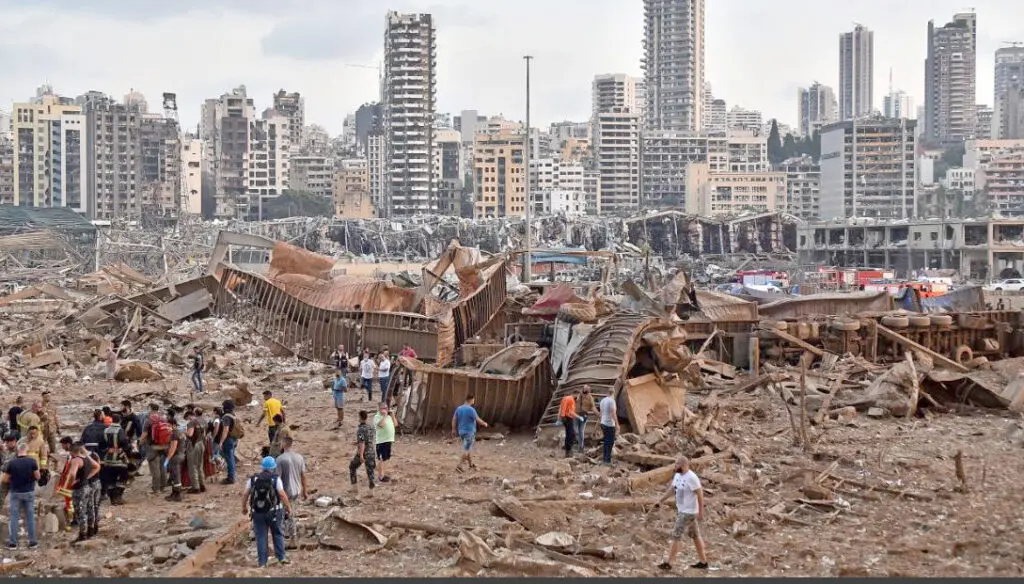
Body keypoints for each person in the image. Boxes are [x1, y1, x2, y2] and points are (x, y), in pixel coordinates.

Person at [655, 457, 708, 571]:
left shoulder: (692, 477)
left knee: (676, 535)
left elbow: (700, 494)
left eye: (676, 465)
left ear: (683, 465)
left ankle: (669, 562)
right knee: (695, 536)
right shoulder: (678, 476)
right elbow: (672, 489)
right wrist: (661, 500)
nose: (675, 467)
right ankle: (703, 561)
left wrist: (701, 511)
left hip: (688, 512)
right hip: (683, 510)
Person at [242, 456, 292, 568]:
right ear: (273, 467)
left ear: (262, 467)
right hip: (274, 512)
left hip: (257, 513)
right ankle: (281, 557)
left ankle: (262, 563)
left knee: (261, 536)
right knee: (278, 533)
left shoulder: (253, 479)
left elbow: (245, 494)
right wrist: (288, 507)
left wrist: (244, 508)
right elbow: (282, 494)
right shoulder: (276, 479)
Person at [2, 442, 40, 549]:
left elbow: (4, 479)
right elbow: (37, 476)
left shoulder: (11, 463)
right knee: (30, 517)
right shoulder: (32, 461)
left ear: (17, 451)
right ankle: (33, 542)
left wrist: (13, 480)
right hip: (29, 492)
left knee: (14, 517)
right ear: (26, 450)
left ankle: (13, 543)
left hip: (15, 493)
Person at [67, 442, 101, 542]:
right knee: (90, 508)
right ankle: (91, 530)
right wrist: (86, 477)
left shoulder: (75, 460)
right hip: (87, 487)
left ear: (72, 451)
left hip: (79, 489)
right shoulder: (86, 458)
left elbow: (72, 474)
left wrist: (70, 483)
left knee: (80, 512)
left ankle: (83, 534)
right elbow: (97, 466)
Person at [451, 395, 488, 473]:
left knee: (468, 448)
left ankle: (471, 464)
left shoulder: (459, 408)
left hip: (461, 431)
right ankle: (459, 466)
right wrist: (484, 424)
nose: (474, 402)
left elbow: (454, 419)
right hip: (469, 432)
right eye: (473, 400)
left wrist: (453, 429)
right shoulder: (471, 410)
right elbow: (477, 419)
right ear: (471, 400)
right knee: (466, 449)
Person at [141, 404, 170, 493]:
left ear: (150, 409)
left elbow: (144, 434)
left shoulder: (148, 420)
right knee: (163, 467)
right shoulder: (163, 418)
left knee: (155, 468)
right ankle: (163, 487)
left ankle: (156, 488)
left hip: (153, 447)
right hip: (164, 446)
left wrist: (140, 442)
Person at [349, 410, 376, 497]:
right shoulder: (371, 427)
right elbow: (368, 439)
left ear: (360, 417)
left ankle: (354, 487)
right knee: (370, 471)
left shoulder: (360, 429)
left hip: (364, 452)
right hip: (371, 451)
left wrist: (361, 455)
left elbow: (362, 443)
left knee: (352, 467)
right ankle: (371, 491)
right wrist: (357, 442)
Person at [164, 410, 186, 502]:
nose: (167, 428)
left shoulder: (174, 434)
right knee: (175, 475)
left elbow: (173, 448)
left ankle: (177, 495)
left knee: (175, 476)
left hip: (175, 457)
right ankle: (174, 493)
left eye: (168, 426)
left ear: (173, 425)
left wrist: (167, 459)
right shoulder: (180, 432)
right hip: (181, 455)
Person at [218, 400, 241, 485]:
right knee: (231, 457)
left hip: (228, 440)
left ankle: (231, 478)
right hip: (234, 439)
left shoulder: (226, 417)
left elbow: (225, 430)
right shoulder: (233, 415)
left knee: (229, 458)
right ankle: (232, 475)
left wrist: (221, 442)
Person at [373, 403, 397, 483]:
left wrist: (392, 415)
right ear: (379, 409)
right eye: (383, 408)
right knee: (382, 459)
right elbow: (381, 425)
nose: (385, 410)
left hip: (388, 440)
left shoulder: (389, 417)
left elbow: (396, 424)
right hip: (381, 441)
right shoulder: (377, 417)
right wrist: (384, 416)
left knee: (386, 458)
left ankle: (383, 474)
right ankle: (380, 476)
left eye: (386, 408)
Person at [185, 407, 207, 494]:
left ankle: (196, 487)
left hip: (194, 445)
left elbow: (190, 434)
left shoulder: (192, 422)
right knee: (200, 465)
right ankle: (202, 485)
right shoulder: (203, 421)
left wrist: (184, 432)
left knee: (192, 466)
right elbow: (204, 434)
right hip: (202, 443)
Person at [558, 390, 583, 458]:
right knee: (571, 434)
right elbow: (571, 412)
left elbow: (561, 408)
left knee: (568, 433)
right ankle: (569, 450)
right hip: (568, 418)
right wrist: (578, 417)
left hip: (565, 418)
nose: (578, 398)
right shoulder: (571, 400)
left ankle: (567, 450)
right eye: (578, 396)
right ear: (576, 394)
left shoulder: (565, 398)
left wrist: (560, 417)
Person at [598, 390, 619, 465]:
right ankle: (607, 460)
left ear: (607, 393)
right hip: (609, 424)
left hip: (603, 423)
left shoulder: (602, 400)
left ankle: (605, 459)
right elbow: (613, 413)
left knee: (606, 441)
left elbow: (600, 413)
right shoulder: (612, 401)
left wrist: (601, 421)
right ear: (613, 393)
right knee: (610, 442)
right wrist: (617, 424)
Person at [575, 386, 597, 454]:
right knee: (575, 430)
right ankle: (579, 445)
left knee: (581, 431)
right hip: (575, 415)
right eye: (585, 389)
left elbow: (593, 407)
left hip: (583, 415)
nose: (586, 390)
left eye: (588, 389)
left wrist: (598, 414)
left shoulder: (590, 397)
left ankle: (581, 447)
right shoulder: (578, 395)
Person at [0, 433, 17, 503]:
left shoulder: (19, 451)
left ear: (14, 441)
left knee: (17, 500)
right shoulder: (6, 451)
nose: (6, 444)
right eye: (5, 442)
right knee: (1, 496)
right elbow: (4, 463)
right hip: (6, 477)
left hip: (15, 478)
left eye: (8, 443)